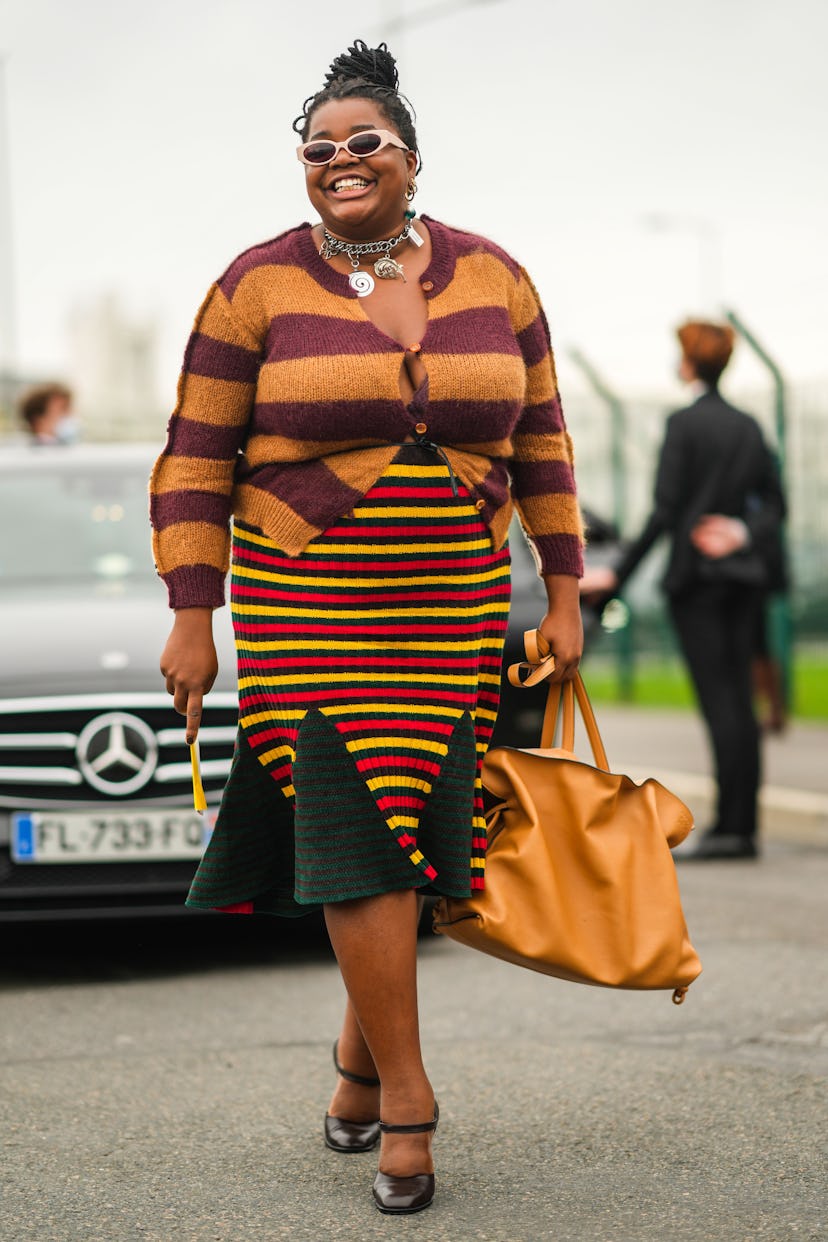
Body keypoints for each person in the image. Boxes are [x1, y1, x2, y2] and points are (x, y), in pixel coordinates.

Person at [150, 40, 583, 1216]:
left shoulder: (496, 278)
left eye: (362, 145)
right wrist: (195, 613)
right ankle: (407, 1101)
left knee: (418, 831)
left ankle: (350, 1069)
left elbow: (541, 437)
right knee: (355, 819)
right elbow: (195, 457)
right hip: (310, 601)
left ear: (409, 156)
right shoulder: (256, 285)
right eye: (317, 151)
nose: (339, 164)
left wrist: (563, 585)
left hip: (453, 602)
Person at [581, 320, 785, 861]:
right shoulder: (747, 426)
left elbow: (666, 513)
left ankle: (730, 832)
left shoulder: (683, 424)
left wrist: (616, 576)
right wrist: (740, 531)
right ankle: (742, 826)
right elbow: (776, 503)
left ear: (689, 362)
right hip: (743, 581)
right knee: (738, 703)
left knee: (720, 703)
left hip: (697, 585)